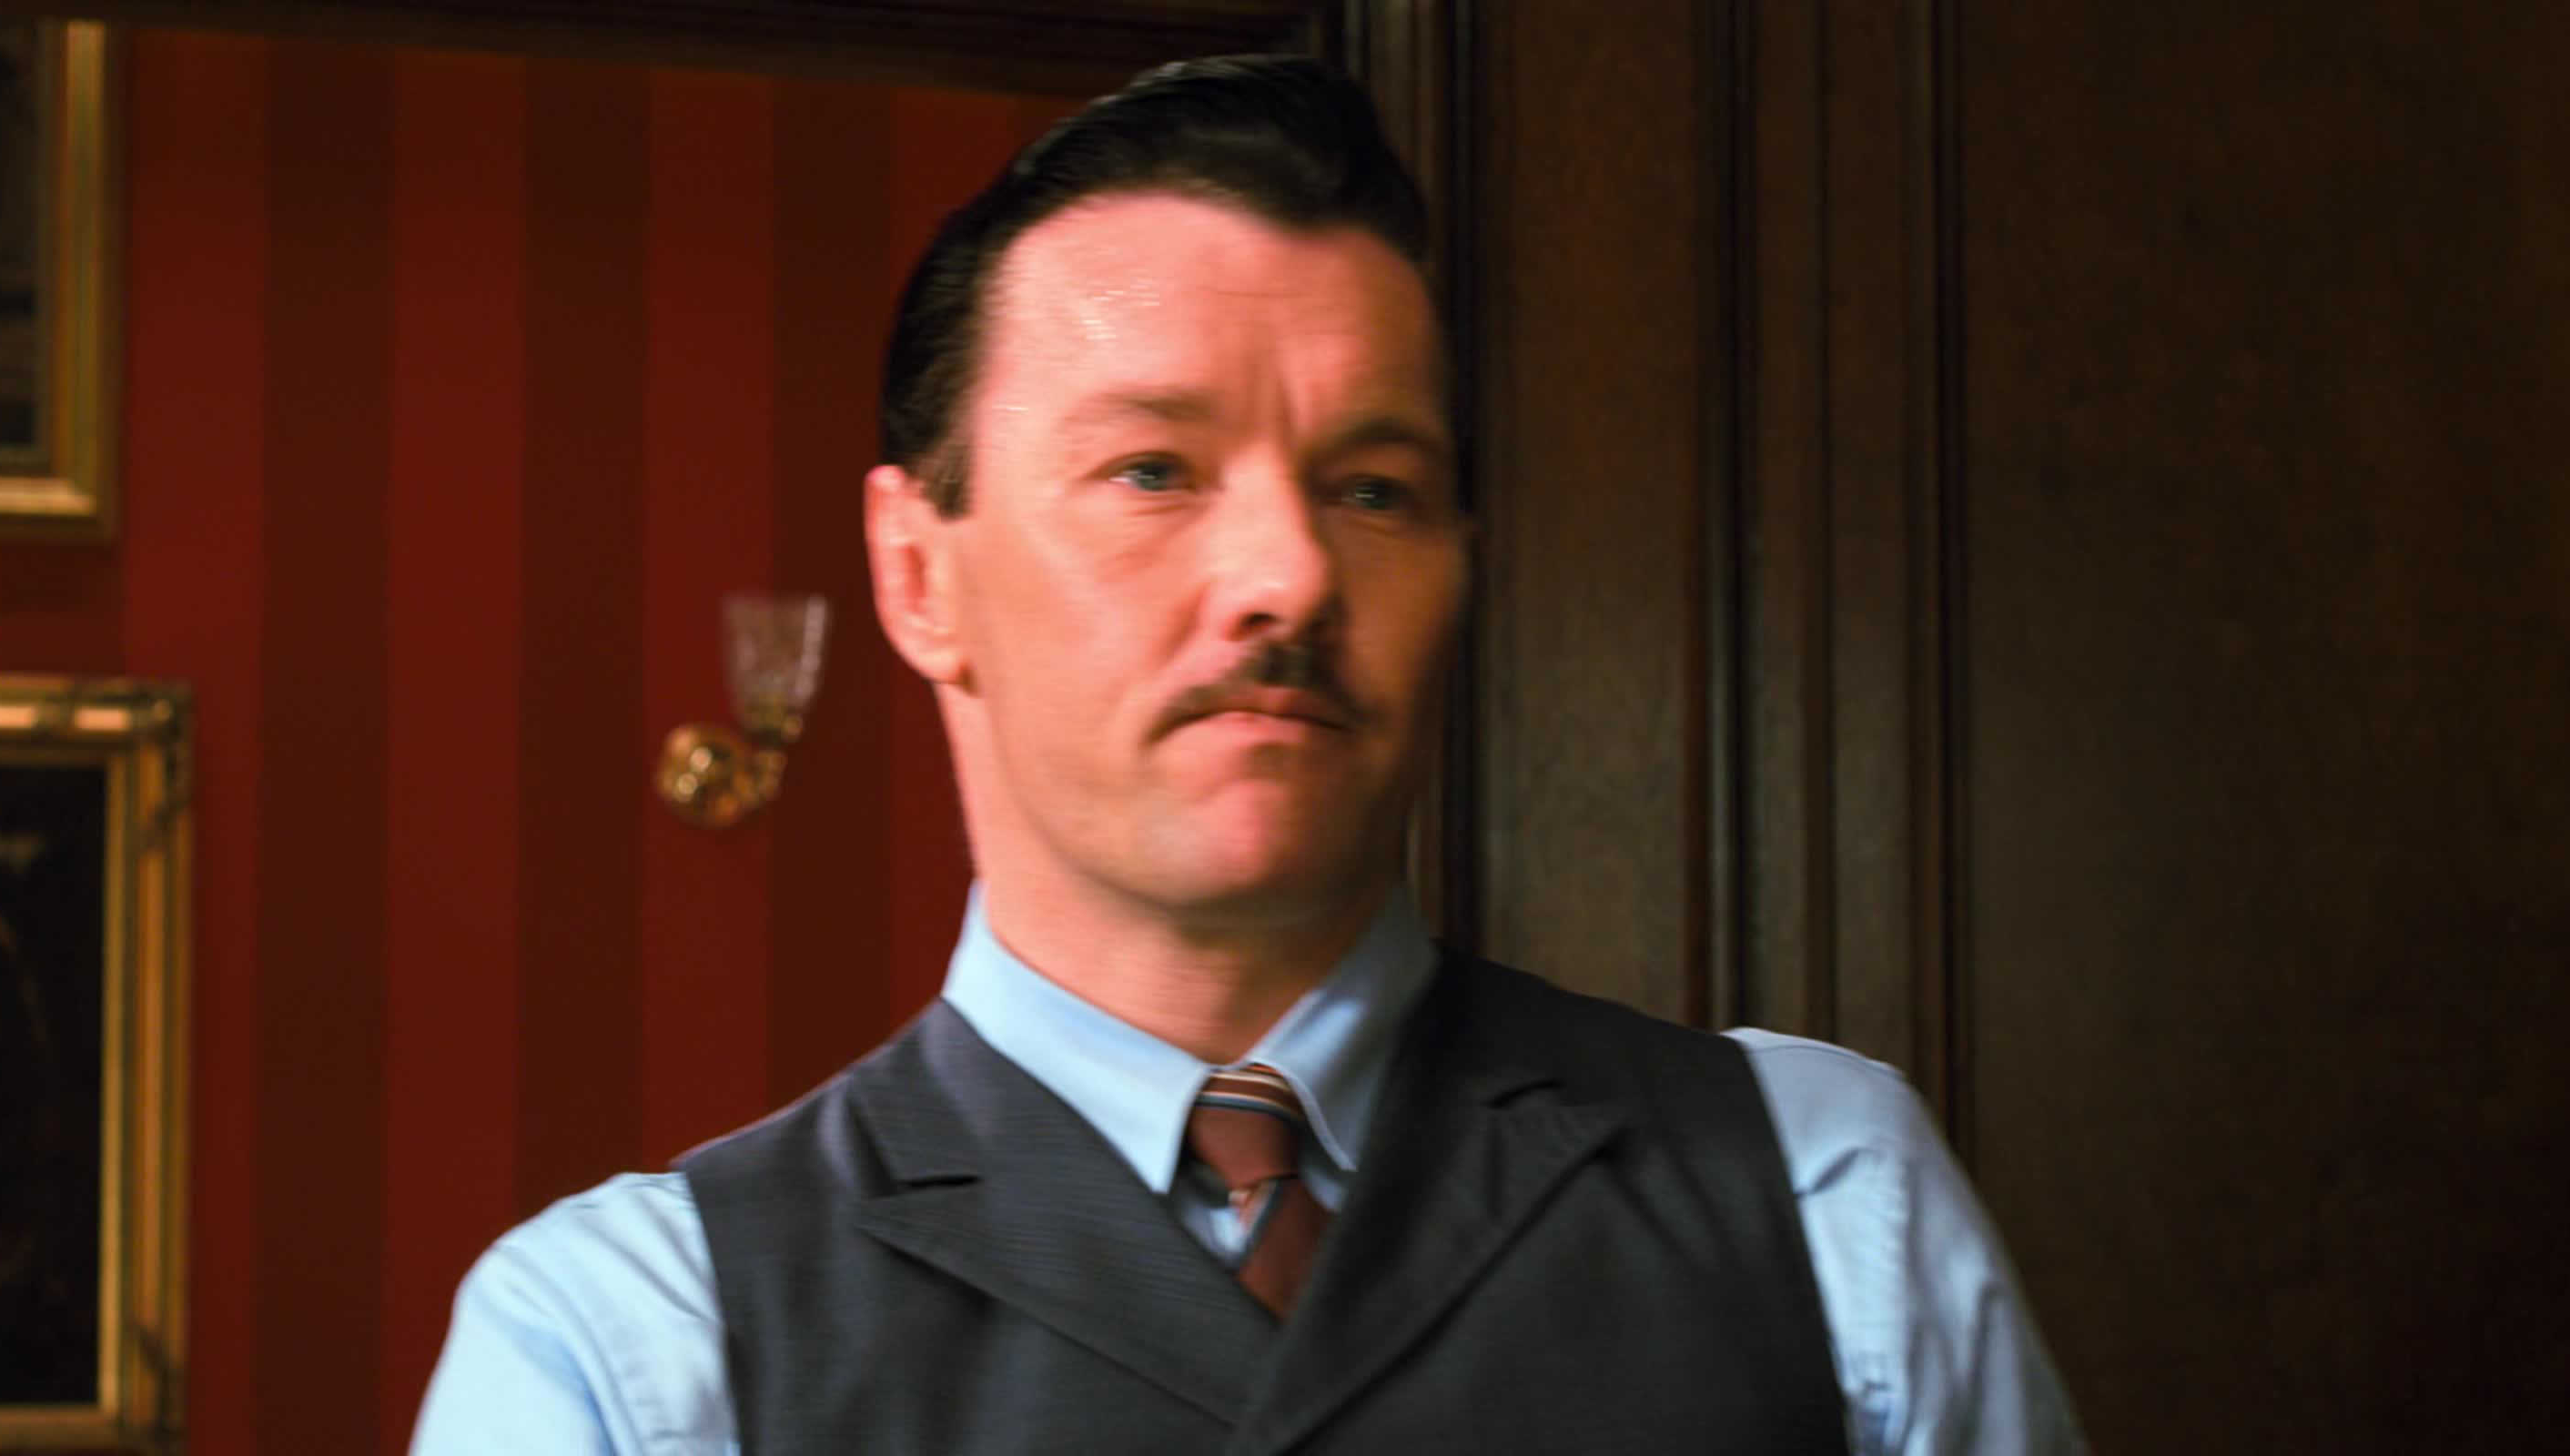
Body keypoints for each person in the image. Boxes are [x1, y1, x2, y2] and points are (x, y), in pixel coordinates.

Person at [414, 56, 2082, 1454]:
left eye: (1374, 488)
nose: (1290, 575)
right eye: (1154, 471)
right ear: (919, 576)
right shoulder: (630, 1348)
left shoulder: (1825, 1194)